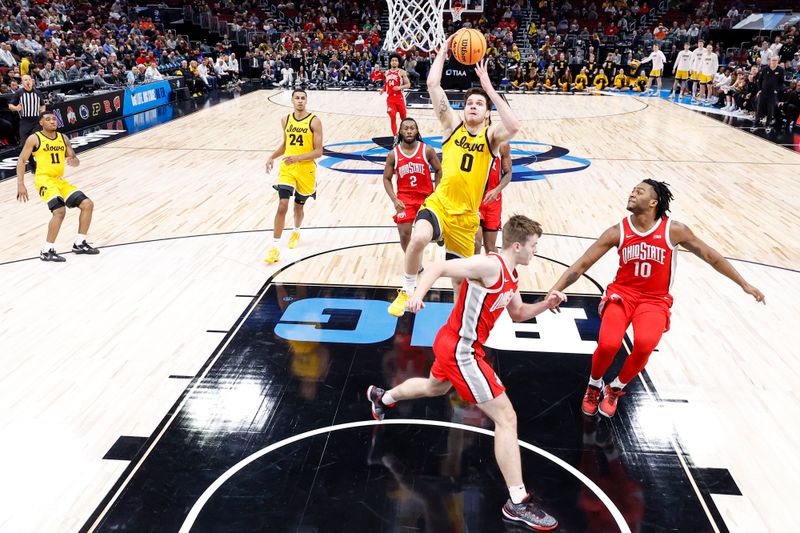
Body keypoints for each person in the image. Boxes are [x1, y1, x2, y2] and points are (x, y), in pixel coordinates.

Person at [368, 215, 564, 531]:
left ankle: (382, 397)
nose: (535, 252)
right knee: (506, 417)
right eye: (533, 247)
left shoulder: (511, 275)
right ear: (517, 245)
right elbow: (438, 267)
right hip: (462, 349)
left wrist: (546, 303)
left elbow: (518, 314)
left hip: (454, 343)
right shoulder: (491, 266)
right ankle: (517, 501)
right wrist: (418, 293)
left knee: (434, 388)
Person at [547, 180, 765, 418]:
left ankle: (615, 388)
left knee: (645, 344)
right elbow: (584, 262)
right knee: (609, 344)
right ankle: (594, 384)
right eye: (632, 189)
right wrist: (555, 289)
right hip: (622, 294)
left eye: (639, 191)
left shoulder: (675, 230)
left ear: (653, 202)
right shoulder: (617, 231)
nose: (632, 193)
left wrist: (744, 283)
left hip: (654, 300)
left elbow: (711, 256)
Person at [387, 34, 521, 316]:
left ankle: (458, 322)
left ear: (487, 114)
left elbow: (515, 125)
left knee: (460, 281)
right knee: (419, 239)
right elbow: (433, 84)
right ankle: (408, 288)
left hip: (466, 217)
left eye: (479, 104)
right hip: (440, 204)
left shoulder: (492, 138)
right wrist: (443, 52)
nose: (473, 105)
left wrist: (489, 88)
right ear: (463, 109)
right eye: (469, 102)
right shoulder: (451, 127)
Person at [15, 111, 98, 261]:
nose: (52, 121)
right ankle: (47, 250)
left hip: (59, 180)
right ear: (41, 123)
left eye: (54, 119)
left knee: (87, 204)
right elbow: (21, 161)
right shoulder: (34, 138)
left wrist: (74, 160)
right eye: (48, 119)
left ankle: (80, 243)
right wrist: (20, 184)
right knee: (59, 211)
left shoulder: (63, 138)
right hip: (44, 180)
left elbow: (74, 158)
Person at [263, 89, 323, 263]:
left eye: (303, 98)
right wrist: (271, 157)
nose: (300, 101)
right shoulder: (285, 120)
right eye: (297, 98)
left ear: (306, 101)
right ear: (291, 100)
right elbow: (285, 144)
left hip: (306, 169)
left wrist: (298, 158)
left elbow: (319, 151)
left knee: (298, 207)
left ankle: (296, 231)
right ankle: (274, 248)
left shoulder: (315, 121)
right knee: (282, 205)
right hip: (287, 168)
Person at [382, 117, 441, 252]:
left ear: (417, 131)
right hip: (405, 199)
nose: (409, 131)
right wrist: (394, 199)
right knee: (404, 234)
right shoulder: (393, 154)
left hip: (426, 197)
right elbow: (386, 178)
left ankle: (439, 232)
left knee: (427, 233)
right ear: (400, 132)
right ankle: (414, 263)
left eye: (412, 128)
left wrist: (437, 192)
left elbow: (438, 170)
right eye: (406, 128)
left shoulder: (427, 150)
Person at [475, 141, 511, 254]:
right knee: (475, 244)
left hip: (493, 203)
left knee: (490, 247)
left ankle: (498, 270)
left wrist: (497, 190)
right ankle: (473, 271)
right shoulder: (471, 145)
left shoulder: (502, 146)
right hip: (475, 201)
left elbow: (508, 173)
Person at [380, 53, 411, 137]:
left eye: (396, 61)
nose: (394, 62)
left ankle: (405, 134)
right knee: (392, 116)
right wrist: (383, 90)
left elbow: (408, 85)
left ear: (398, 62)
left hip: (399, 98)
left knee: (404, 119)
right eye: (392, 60)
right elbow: (387, 84)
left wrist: (400, 87)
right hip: (390, 99)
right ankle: (395, 136)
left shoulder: (402, 72)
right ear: (390, 62)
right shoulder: (386, 73)